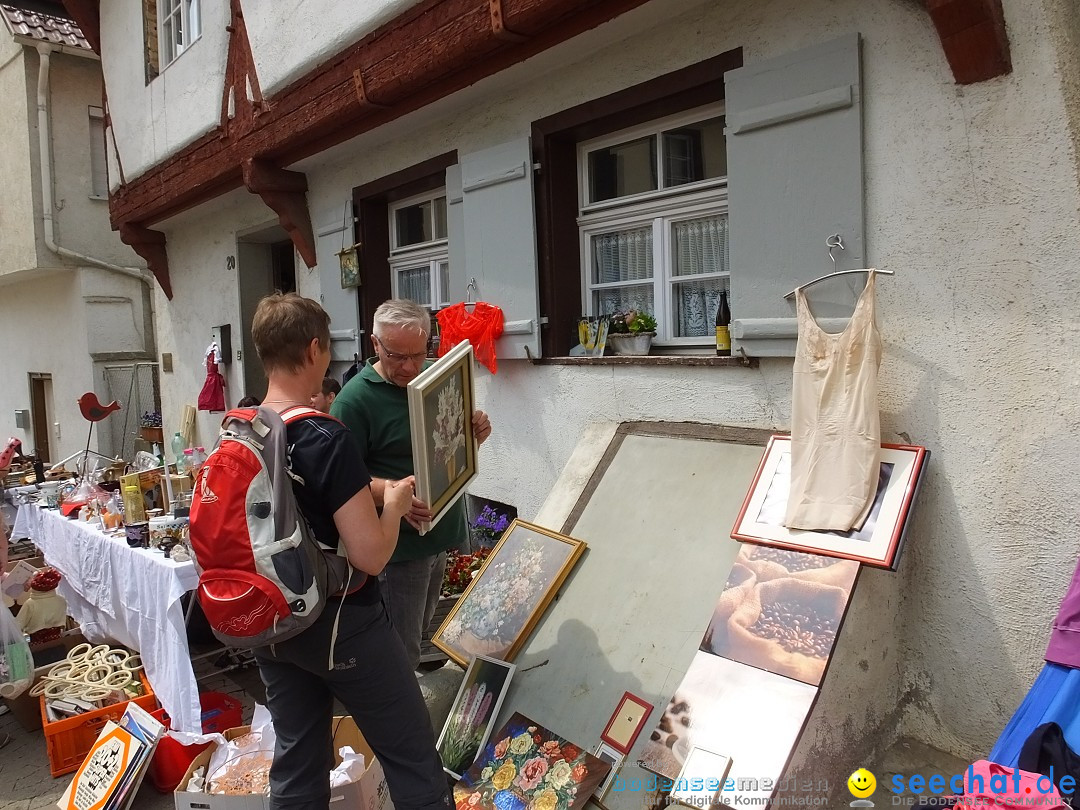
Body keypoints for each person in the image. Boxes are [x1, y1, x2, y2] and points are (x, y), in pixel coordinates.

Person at [249, 293, 450, 810]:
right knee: (412, 756)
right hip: (340, 625)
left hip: (272, 620)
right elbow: (371, 556)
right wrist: (395, 501)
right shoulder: (323, 434)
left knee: (296, 760)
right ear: (316, 349)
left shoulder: (244, 429)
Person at [331, 299, 491, 669]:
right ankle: (403, 724)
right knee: (400, 656)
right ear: (375, 345)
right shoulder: (354, 401)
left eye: (418, 354)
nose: (410, 367)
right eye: (397, 356)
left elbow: (445, 440)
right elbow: (341, 481)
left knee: (420, 638)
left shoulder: (438, 374)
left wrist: (474, 433)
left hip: (439, 533)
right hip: (397, 551)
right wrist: (389, 492)